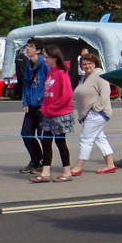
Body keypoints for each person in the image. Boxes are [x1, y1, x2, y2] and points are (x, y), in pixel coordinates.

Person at [33, 45, 75, 183]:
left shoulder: (62, 72)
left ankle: (67, 172)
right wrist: (45, 107)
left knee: (60, 141)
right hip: (49, 113)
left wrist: (53, 107)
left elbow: (67, 95)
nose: (45, 59)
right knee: (46, 141)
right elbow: (48, 94)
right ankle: (46, 172)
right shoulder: (51, 72)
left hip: (60, 113)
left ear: (55, 58)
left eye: (47, 57)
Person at [71, 52, 115, 175]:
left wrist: (97, 108)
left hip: (97, 113)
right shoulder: (85, 77)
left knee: (85, 139)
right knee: (100, 138)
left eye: (90, 63)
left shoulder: (99, 74)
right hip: (88, 113)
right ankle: (110, 164)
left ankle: (78, 167)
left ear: (95, 63)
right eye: (84, 64)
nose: (87, 66)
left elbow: (106, 93)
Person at [19, 39, 49, 174]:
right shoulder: (28, 65)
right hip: (31, 105)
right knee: (26, 133)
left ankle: (45, 163)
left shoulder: (44, 64)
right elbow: (26, 84)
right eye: (27, 47)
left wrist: (44, 101)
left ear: (38, 50)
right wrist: (25, 101)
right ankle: (35, 160)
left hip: (42, 105)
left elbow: (49, 84)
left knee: (43, 136)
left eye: (31, 47)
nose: (28, 49)